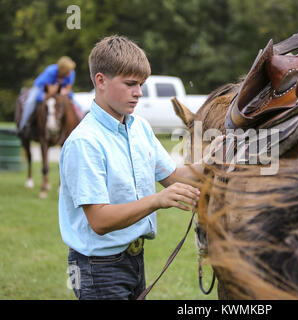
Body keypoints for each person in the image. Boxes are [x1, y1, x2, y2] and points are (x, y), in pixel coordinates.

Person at [59, 35, 203, 300]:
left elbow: (173, 176)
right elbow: (99, 221)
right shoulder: (85, 142)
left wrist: (218, 164)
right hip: (98, 269)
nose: (139, 93)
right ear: (100, 80)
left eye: (142, 84)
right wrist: (157, 200)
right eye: (130, 84)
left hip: (134, 260)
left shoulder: (140, 128)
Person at [18, 56, 77, 135]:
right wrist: (58, 89)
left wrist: (63, 90)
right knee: (30, 102)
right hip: (41, 88)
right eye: (67, 72)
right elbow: (49, 91)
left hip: (59, 89)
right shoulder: (51, 71)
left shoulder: (71, 72)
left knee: (75, 102)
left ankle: (78, 122)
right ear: (63, 71)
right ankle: (23, 126)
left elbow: (68, 88)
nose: (69, 73)